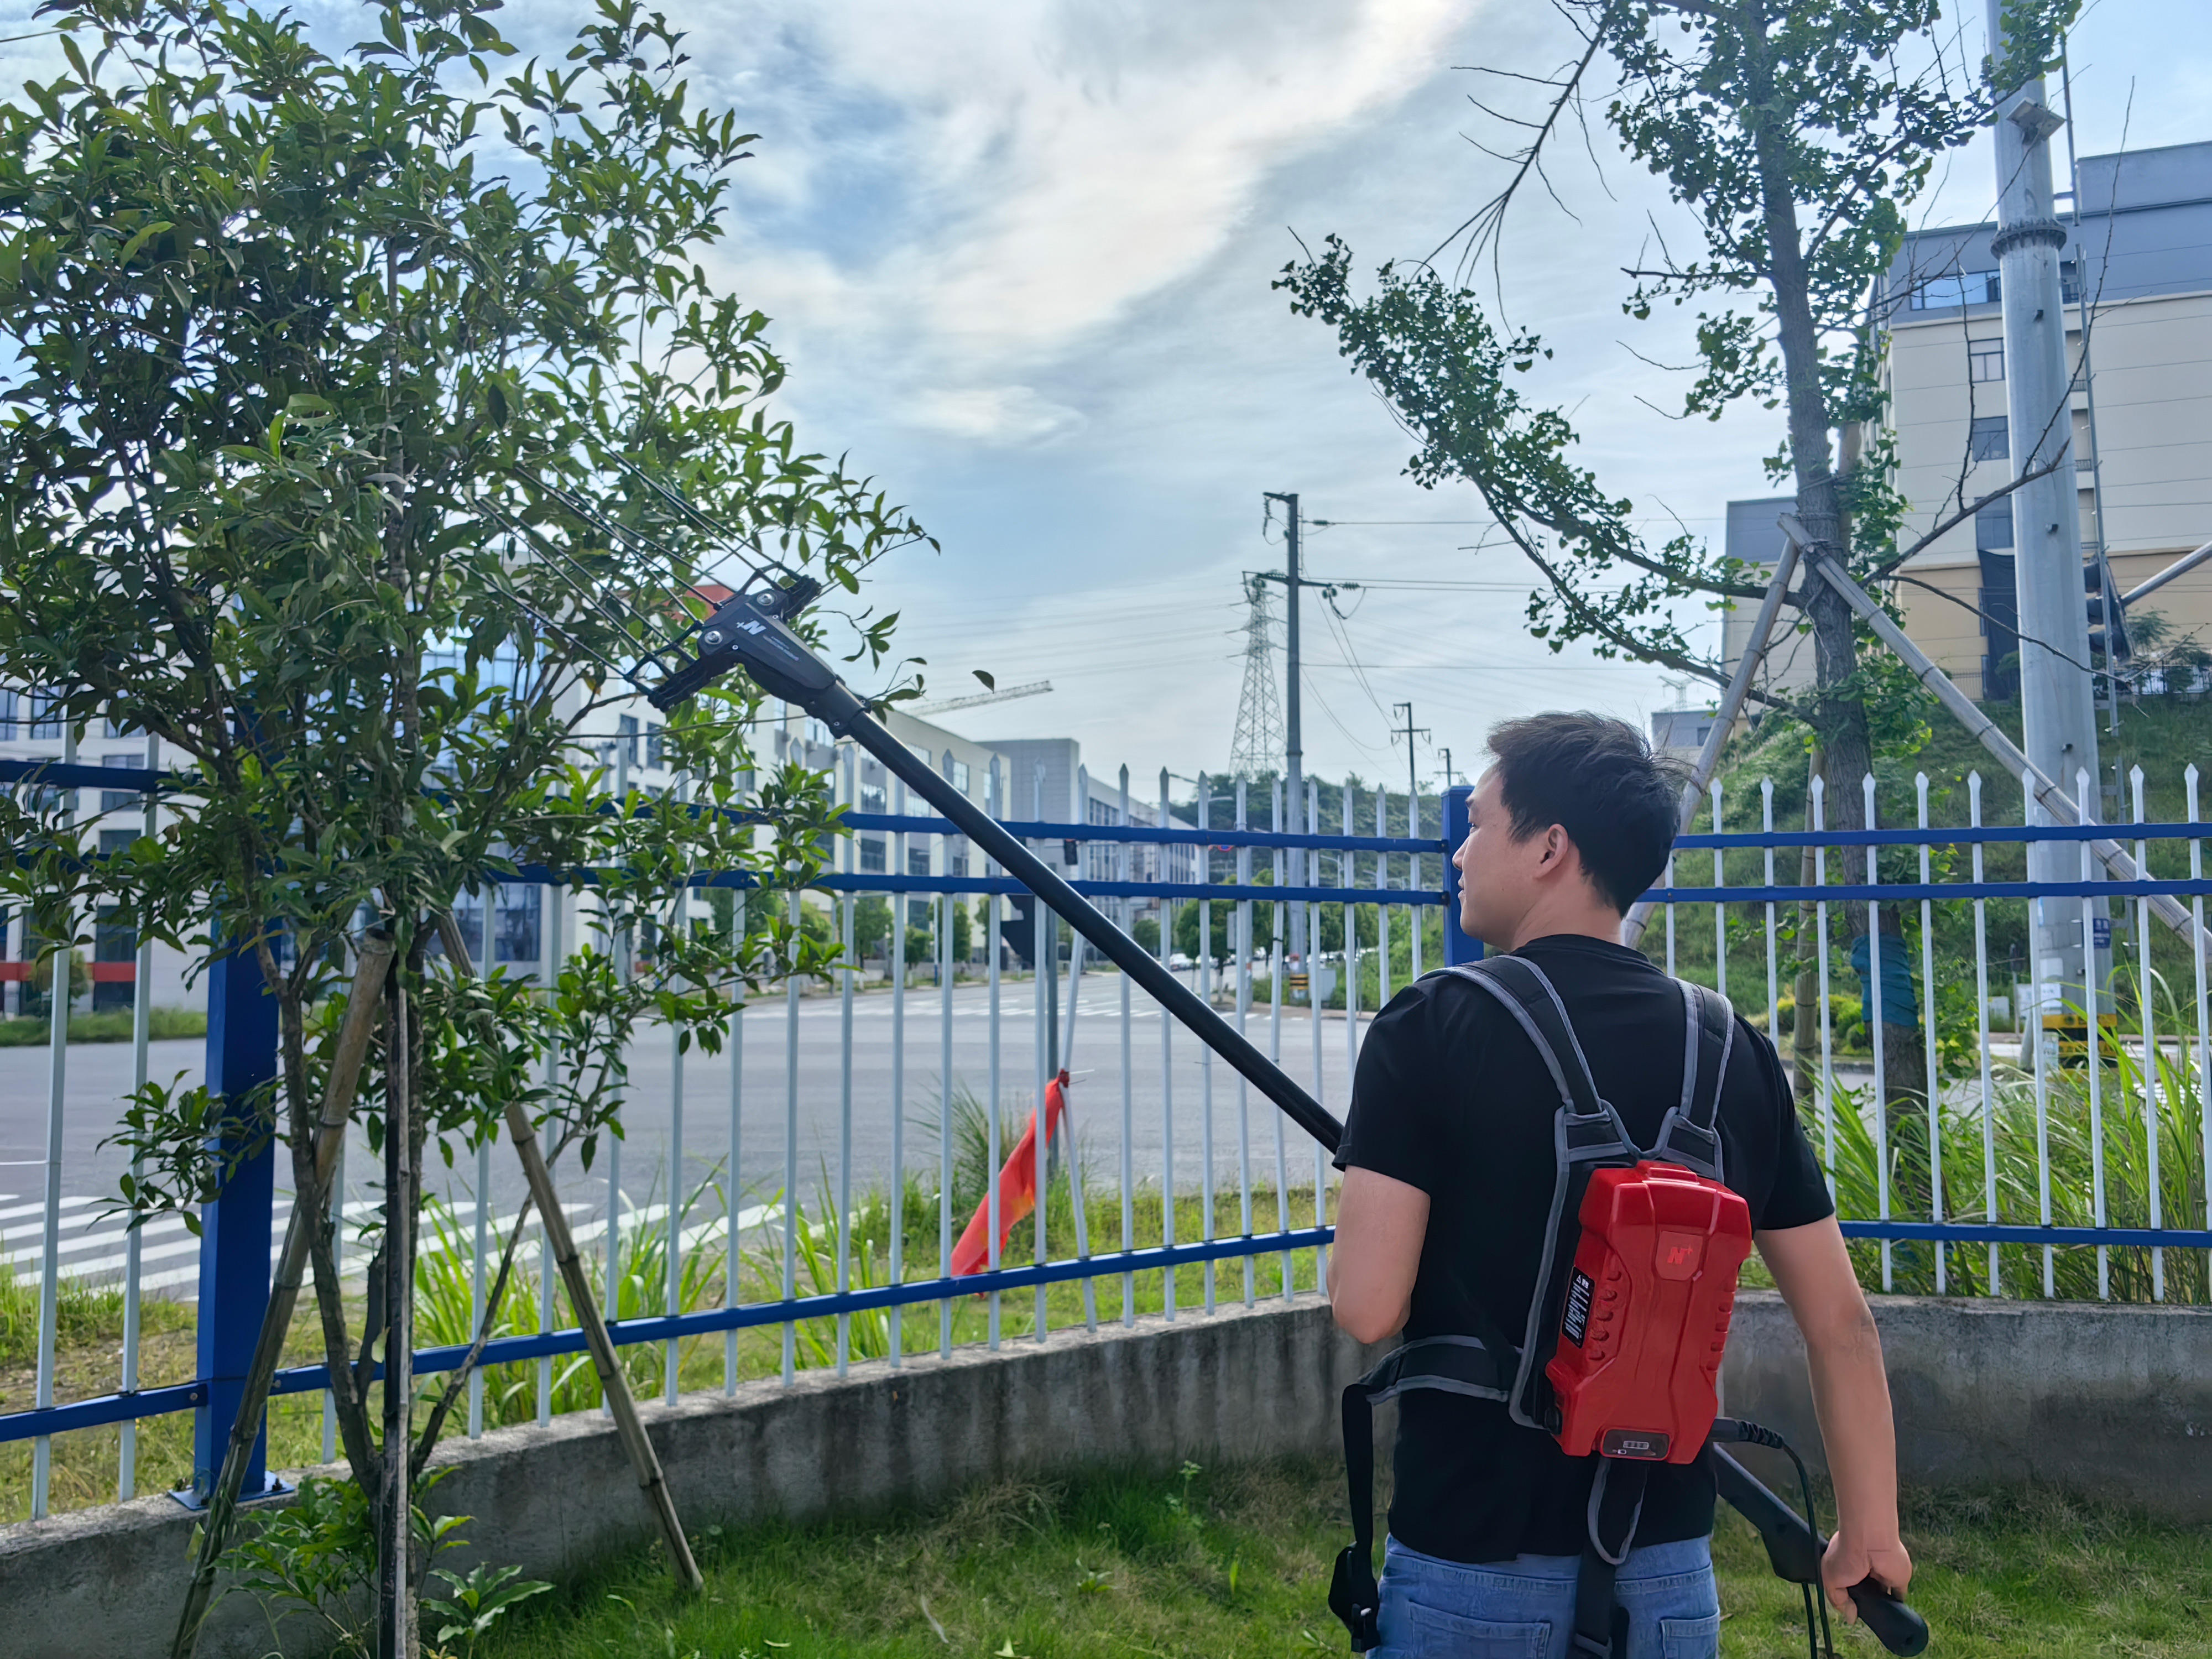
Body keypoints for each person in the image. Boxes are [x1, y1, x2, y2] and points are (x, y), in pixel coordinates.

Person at [1328, 712, 1909, 1659]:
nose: (1459, 854)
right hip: (1665, 1573)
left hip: (1472, 1565)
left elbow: (1366, 1305)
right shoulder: (1732, 1051)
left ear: (1550, 845)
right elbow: (1843, 1324)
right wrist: (1871, 1534)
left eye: (1478, 824)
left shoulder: (1432, 1025)